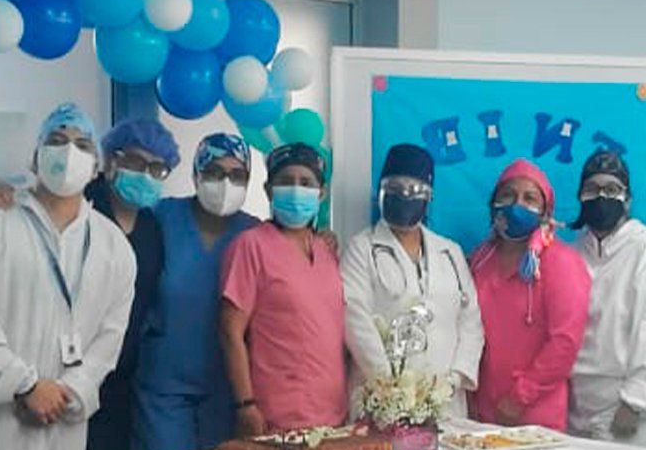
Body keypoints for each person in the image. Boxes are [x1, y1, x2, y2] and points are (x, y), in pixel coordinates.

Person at [0, 103, 136, 450]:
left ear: (97, 167)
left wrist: (71, 389)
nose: (68, 152)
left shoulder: (113, 246)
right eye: (56, 140)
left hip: (65, 418)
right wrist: (25, 385)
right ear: (34, 158)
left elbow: (110, 337)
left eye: (82, 144)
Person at [131, 133, 258, 450]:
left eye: (237, 175)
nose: (226, 182)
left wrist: (324, 238)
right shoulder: (160, 217)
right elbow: (110, 217)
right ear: (196, 174)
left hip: (226, 389)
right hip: (164, 385)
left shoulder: (254, 234)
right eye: (214, 172)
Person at [341, 143, 483, 418]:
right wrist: (390, 384)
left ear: (429, 197)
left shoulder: (450, 252)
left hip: (445, 397)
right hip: (382, 399)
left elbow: (471, 321)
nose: (404, 195)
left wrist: (455, 378)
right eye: (395, 187)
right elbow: (355, 318)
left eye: (414, 189)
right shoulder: (361, 248)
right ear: (380, 191)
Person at [220, 142, 349, 434]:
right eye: (286, 181)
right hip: (277, 418)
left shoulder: (326, 251)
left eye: (306, 183)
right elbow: (229, 331)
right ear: (268, 190)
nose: (296, 189)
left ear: (321, 193)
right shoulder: (251, 246)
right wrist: (245, 404)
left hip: (334, 416)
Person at [83, 119, 177, 450]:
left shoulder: (152, 227)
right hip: (70, 368)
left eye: (157, 168)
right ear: (111, 160)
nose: (145, 174)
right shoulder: (83, 207)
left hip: (123, 376)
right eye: (136, 162)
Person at [469, 158, 591, 431]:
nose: (517, 205)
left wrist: (519, 397)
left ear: (546, 211)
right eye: (508, 195)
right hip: (481, 412)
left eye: (529, 198)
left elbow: (564, 343)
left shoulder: (561, 262)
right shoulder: (480, 260)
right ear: (493, 204)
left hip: (537, 415)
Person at [569, 150, 646, 443]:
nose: (601, 196)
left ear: (627, 199)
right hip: (574, 408)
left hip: (625, 411)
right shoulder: (573, 253)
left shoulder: (641, 249)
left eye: (612, 189)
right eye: (592, 189)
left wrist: (635, 400)